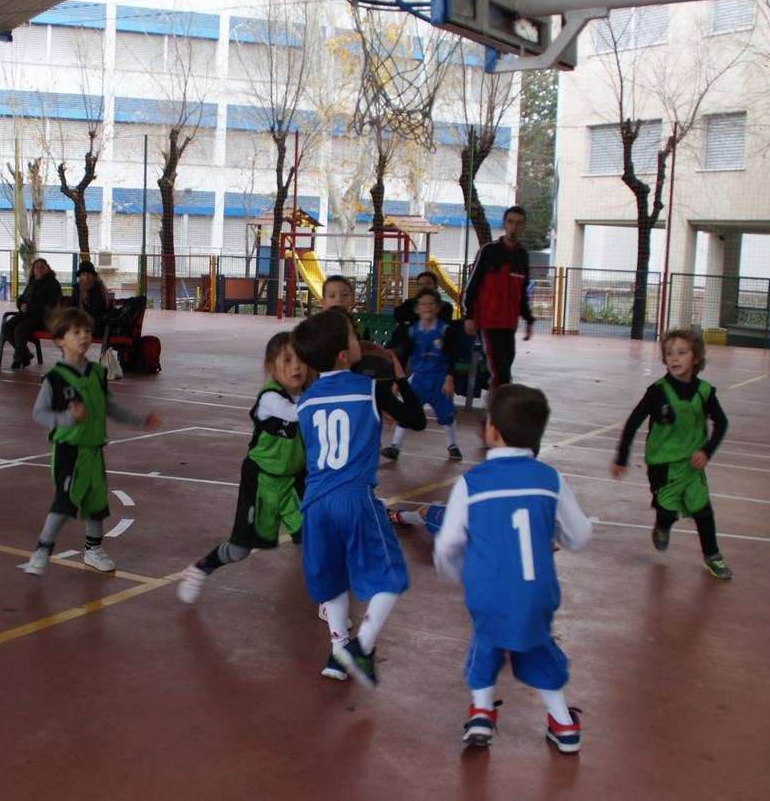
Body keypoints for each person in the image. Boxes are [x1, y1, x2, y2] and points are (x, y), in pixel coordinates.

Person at [434, 384, 592, 753]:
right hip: (537, 590)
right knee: (535, 644)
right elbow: (580, 535)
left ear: (492, 431)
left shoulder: (472, 482)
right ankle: (564, 725)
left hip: (488, 591)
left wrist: (457, 572)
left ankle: (482, 713)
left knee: (486, 643)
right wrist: (555, 536)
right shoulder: (550, 479)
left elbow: (448, 543)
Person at [291, 308, 426, 687]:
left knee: (332, 581)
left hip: (315, 503)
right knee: (390, 578)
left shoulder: (305, 401)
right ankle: (361, 646)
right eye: (353, 336)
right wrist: (400, 378)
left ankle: (338, 649)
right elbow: (415, 420)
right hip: (355, 498)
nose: (358, 340)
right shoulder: (371, 387)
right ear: (342, 354)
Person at [23, 308, 159, 576]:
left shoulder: (98, 372)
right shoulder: (55, 379)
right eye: (76, 332)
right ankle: (41, 551)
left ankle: (93, 551)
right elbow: (39, 413)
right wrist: (67, 417)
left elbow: (110, 408)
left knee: (97, 505)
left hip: (94, 450)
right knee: (63, 505)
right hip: (69, 451)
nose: (84, 336)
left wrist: (140, 420)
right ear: (61, 340)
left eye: (86, 330)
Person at [177, 332, 307, 604]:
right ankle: (202, 567)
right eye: (287, 360)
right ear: (271, 367)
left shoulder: (307, 394)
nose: (296, 366)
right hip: (261, 480)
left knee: (313, 538)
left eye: (301, 359)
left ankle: (330, 604)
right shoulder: (270, 397)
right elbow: (296, 414)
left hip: (294, 481)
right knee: (239, 551)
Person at [610, 328, 732, 579]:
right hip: (662, 465)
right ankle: (662, 525)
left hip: (691, 465)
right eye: (669, 353)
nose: (674, 358)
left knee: (703, 511)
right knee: (667, 512)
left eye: (681, 353)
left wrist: (707, 451)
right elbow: (633, 422)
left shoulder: (705, 392)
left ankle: (712, 556)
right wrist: (622, 457)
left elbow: (722, 423)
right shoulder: (657, 391)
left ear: (696, 358)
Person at [381, 287, 462, 462]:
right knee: (408, 411)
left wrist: (449, 378)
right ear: (417, 309)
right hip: (419, 379)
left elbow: (452, 355)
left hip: (439, 380)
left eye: (431, 304)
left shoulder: (444, 330)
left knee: (447, 415)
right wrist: (397, 382)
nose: (427, 307)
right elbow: (404, 357)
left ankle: (452, 445)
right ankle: (395, 446)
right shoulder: (412, 331)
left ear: (438, 307)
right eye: (423, 304)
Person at [461, 206, 534, 392]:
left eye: (518, 223)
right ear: (504, 224)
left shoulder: (522, 256)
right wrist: (468, 316)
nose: (514, 227)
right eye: (510, 222)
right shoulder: (489, 251)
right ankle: (495, 415)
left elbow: (522, 292)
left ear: (523, 227)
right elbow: (471, 286)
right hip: (488, 323)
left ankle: (496, 411)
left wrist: (528, 319)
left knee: (505, 369)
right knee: (499, 372)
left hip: (509, 325)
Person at [2, 257, 63, 369]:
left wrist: (29, 307)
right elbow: (22, 298)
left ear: (47, 269)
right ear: (33, 270)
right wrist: (21, 305)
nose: (39, 269)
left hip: (43, 317)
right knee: (7, 326)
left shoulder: (53, 284)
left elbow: (51, 304)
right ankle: (25, 354)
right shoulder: (32, 282)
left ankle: (17, 358)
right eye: (36, 267)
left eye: (42, 267)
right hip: (26, 314)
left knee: (21, 328)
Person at [70, 260, 110, 336]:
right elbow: (73, 306)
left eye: (89, 274)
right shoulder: (77, 289)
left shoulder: (98, 288)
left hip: (96, 323)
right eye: (83, 274)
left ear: (93, 276)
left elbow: (98, 310)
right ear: (80, 276)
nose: (86, 277)